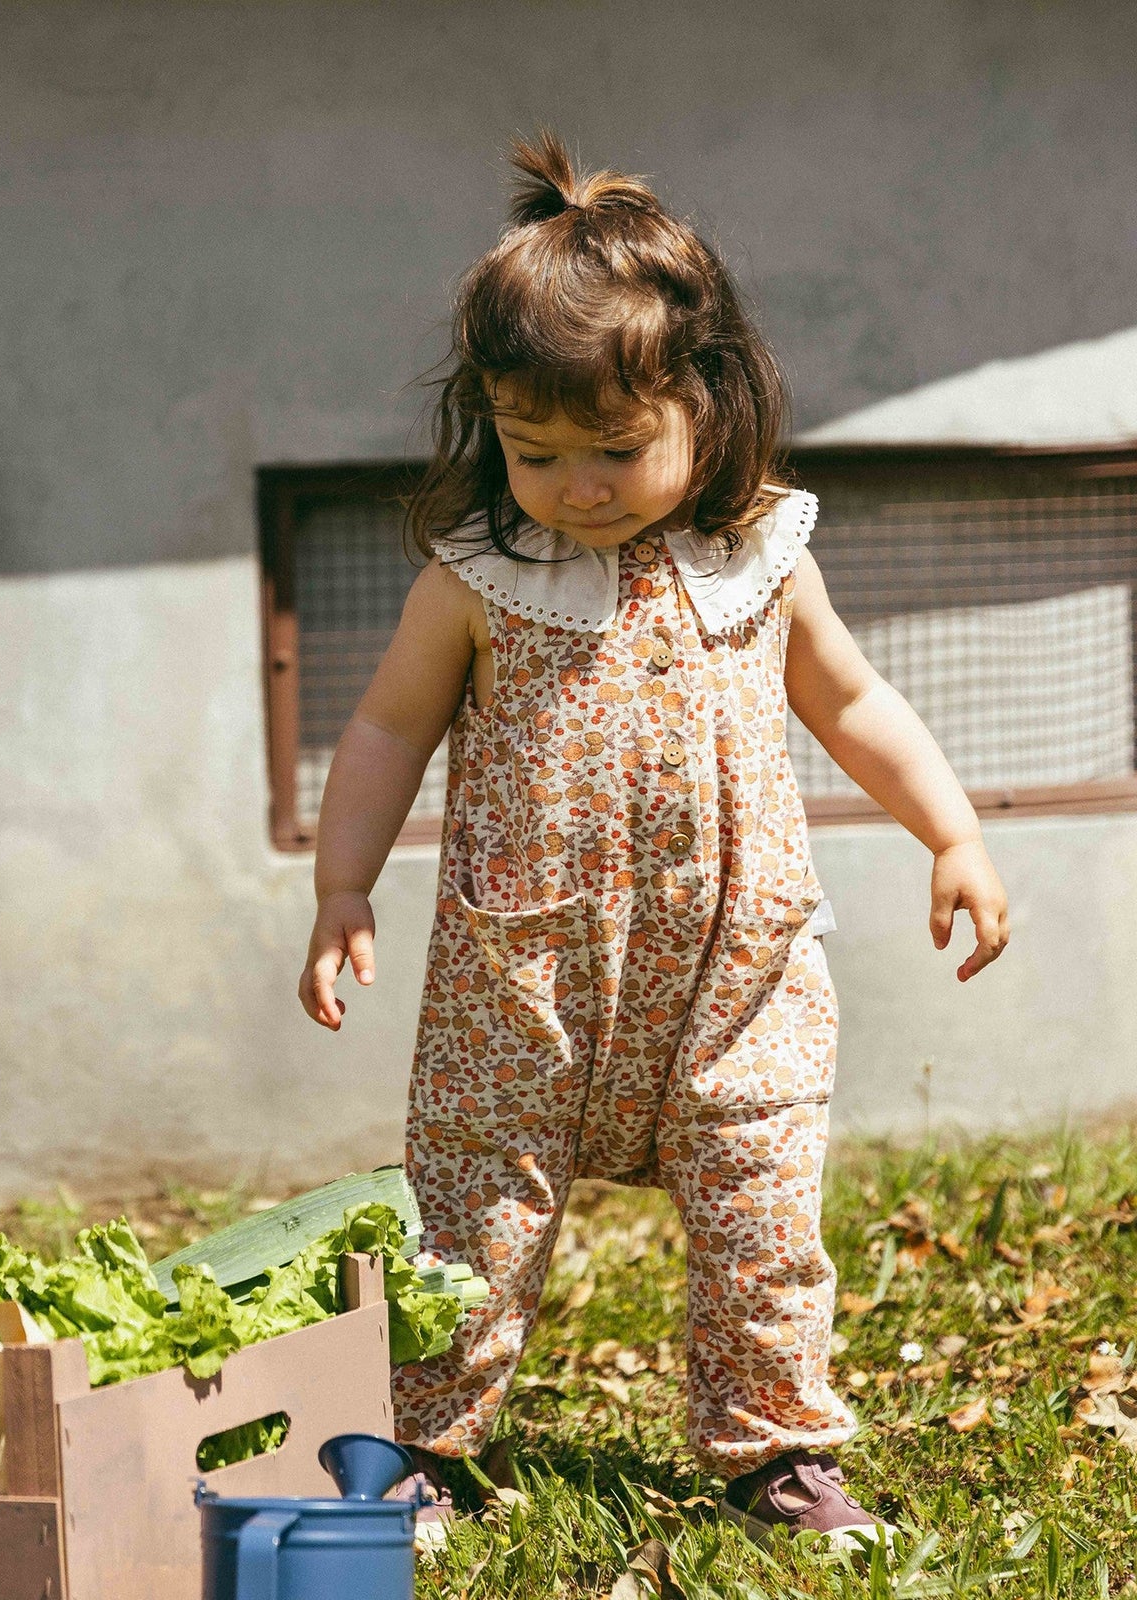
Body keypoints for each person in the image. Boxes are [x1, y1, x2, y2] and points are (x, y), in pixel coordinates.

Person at [297, 130, 1009, 1552]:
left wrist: (953, 831)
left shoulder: (762, 561)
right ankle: (425, 1446)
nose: (577, 485)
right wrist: (340, 885)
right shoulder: (481, 580)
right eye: (534, 449)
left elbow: (854, 700)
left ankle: (779, 1449)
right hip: (526, 981)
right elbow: (382, 732)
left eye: (617, 449)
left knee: (764, 1214)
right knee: (471, 1223)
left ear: (709, 403)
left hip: (738, 974)